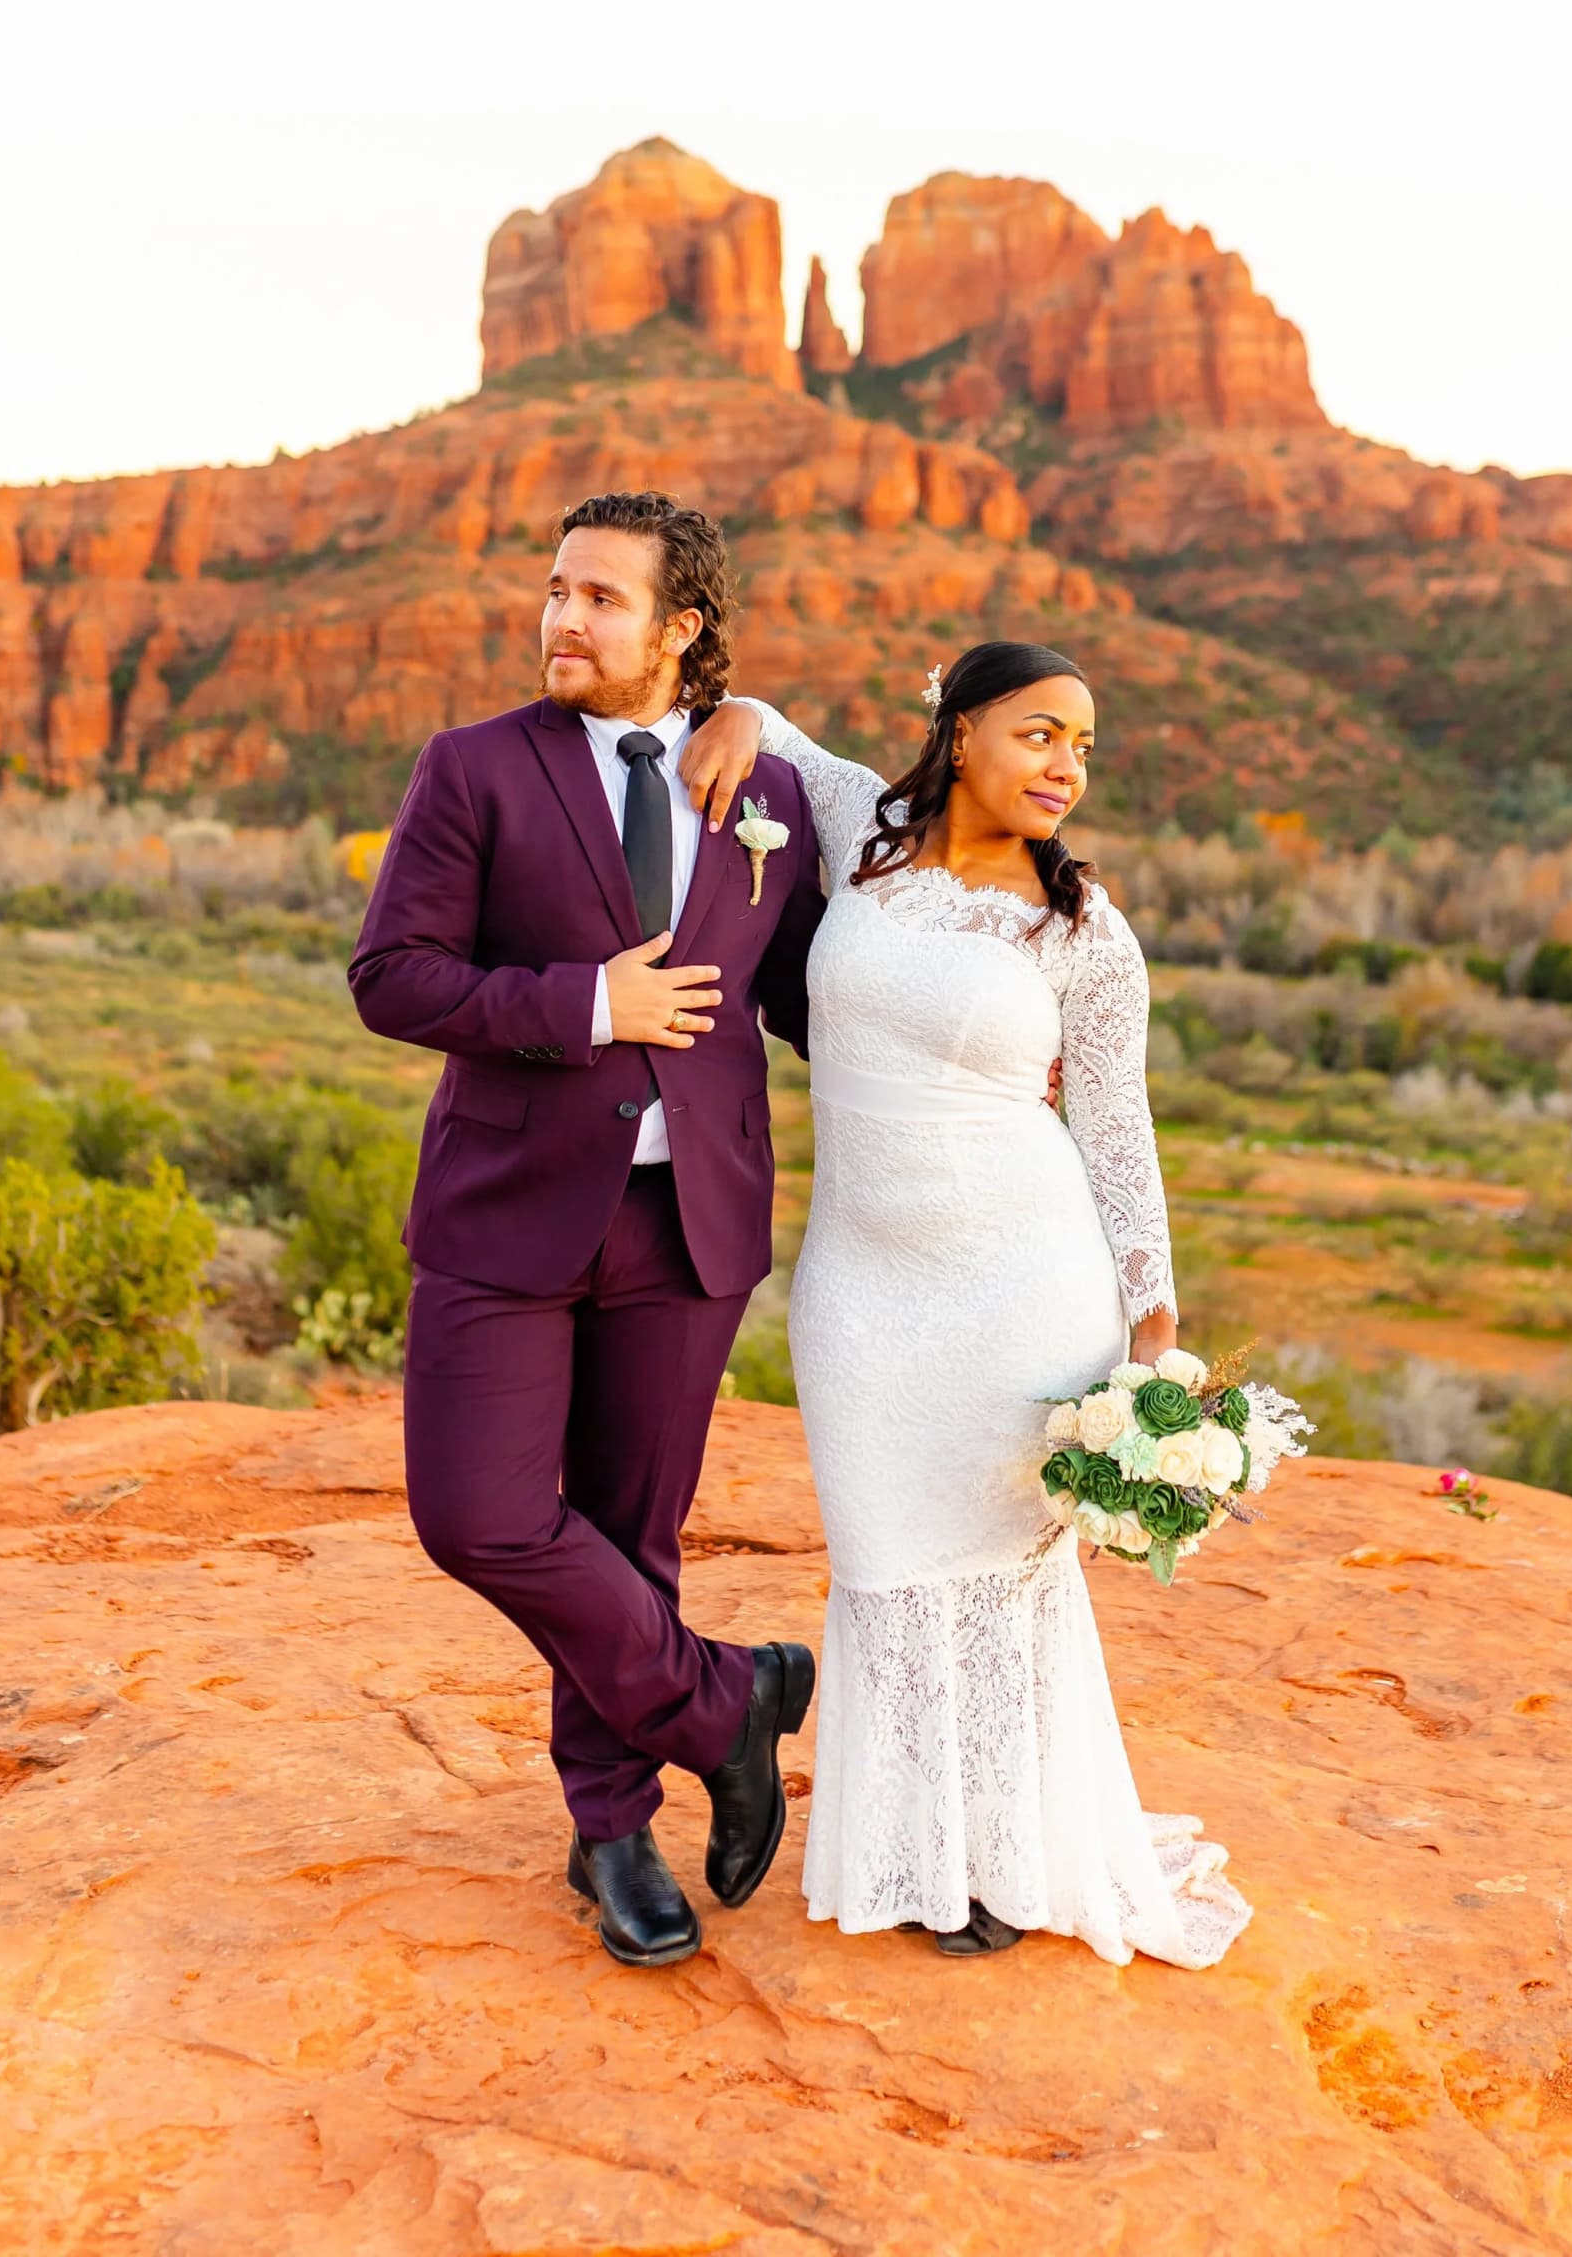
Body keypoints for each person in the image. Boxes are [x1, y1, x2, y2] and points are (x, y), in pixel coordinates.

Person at [678, 644, 1251, 1966]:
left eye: (1085, 748)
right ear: (961, 729)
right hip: (863, 1290)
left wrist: (1152, 1321)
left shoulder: (1083, 931)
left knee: (1001, 1580)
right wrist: (743, 714)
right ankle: (910, 1848)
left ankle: (1002, 1863)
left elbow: (1116, 1127)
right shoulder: (863, 830)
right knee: (888, 1562)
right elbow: (782, 737)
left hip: (1024, 1282)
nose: (1067, 766)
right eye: (1043, 732)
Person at [348, 491, 823, 1970]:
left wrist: (1000, 1042)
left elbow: (807, 999)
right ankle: (722, 1702)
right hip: (505, 1211)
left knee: (631, 1534)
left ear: (681, 629)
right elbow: (394, 977)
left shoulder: (774, 794)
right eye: (556, 591)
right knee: (477, 1516)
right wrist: (583, 1006)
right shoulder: (475, 769)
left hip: (690, 1222)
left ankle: (611, 1831)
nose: (563, 619)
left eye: (601, 599)